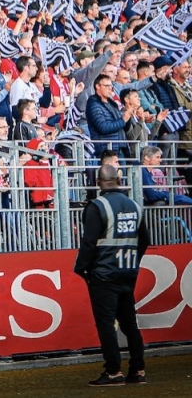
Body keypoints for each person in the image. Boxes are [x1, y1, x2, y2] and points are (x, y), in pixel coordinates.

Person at [74, 164, 149, 386]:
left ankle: (113, 371)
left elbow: (89, 243)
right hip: (128, 272)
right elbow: (144, 241)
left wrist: (82, 267)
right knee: (129, 323)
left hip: (103, 274)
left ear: (99, 182)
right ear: (118, 180)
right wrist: (132, 261)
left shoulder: (97, 206)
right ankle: (138, 369)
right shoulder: (135, 206)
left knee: (106, 323)